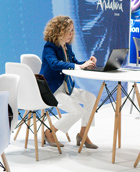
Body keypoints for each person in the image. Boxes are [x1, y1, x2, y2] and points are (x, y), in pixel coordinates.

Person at [39, 15, 99, 149]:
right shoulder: (49, 47)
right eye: (68, 31)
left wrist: (87, 63)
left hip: (66, 87)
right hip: (52, 90)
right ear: (58, 31)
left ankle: (83, 134)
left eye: (72, 30)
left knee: (91, 98)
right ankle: (49, 132)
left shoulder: (67, 47)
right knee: (77, 111)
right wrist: (79, 66)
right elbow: (54, 64)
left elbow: (74, 63)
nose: (71, 34)